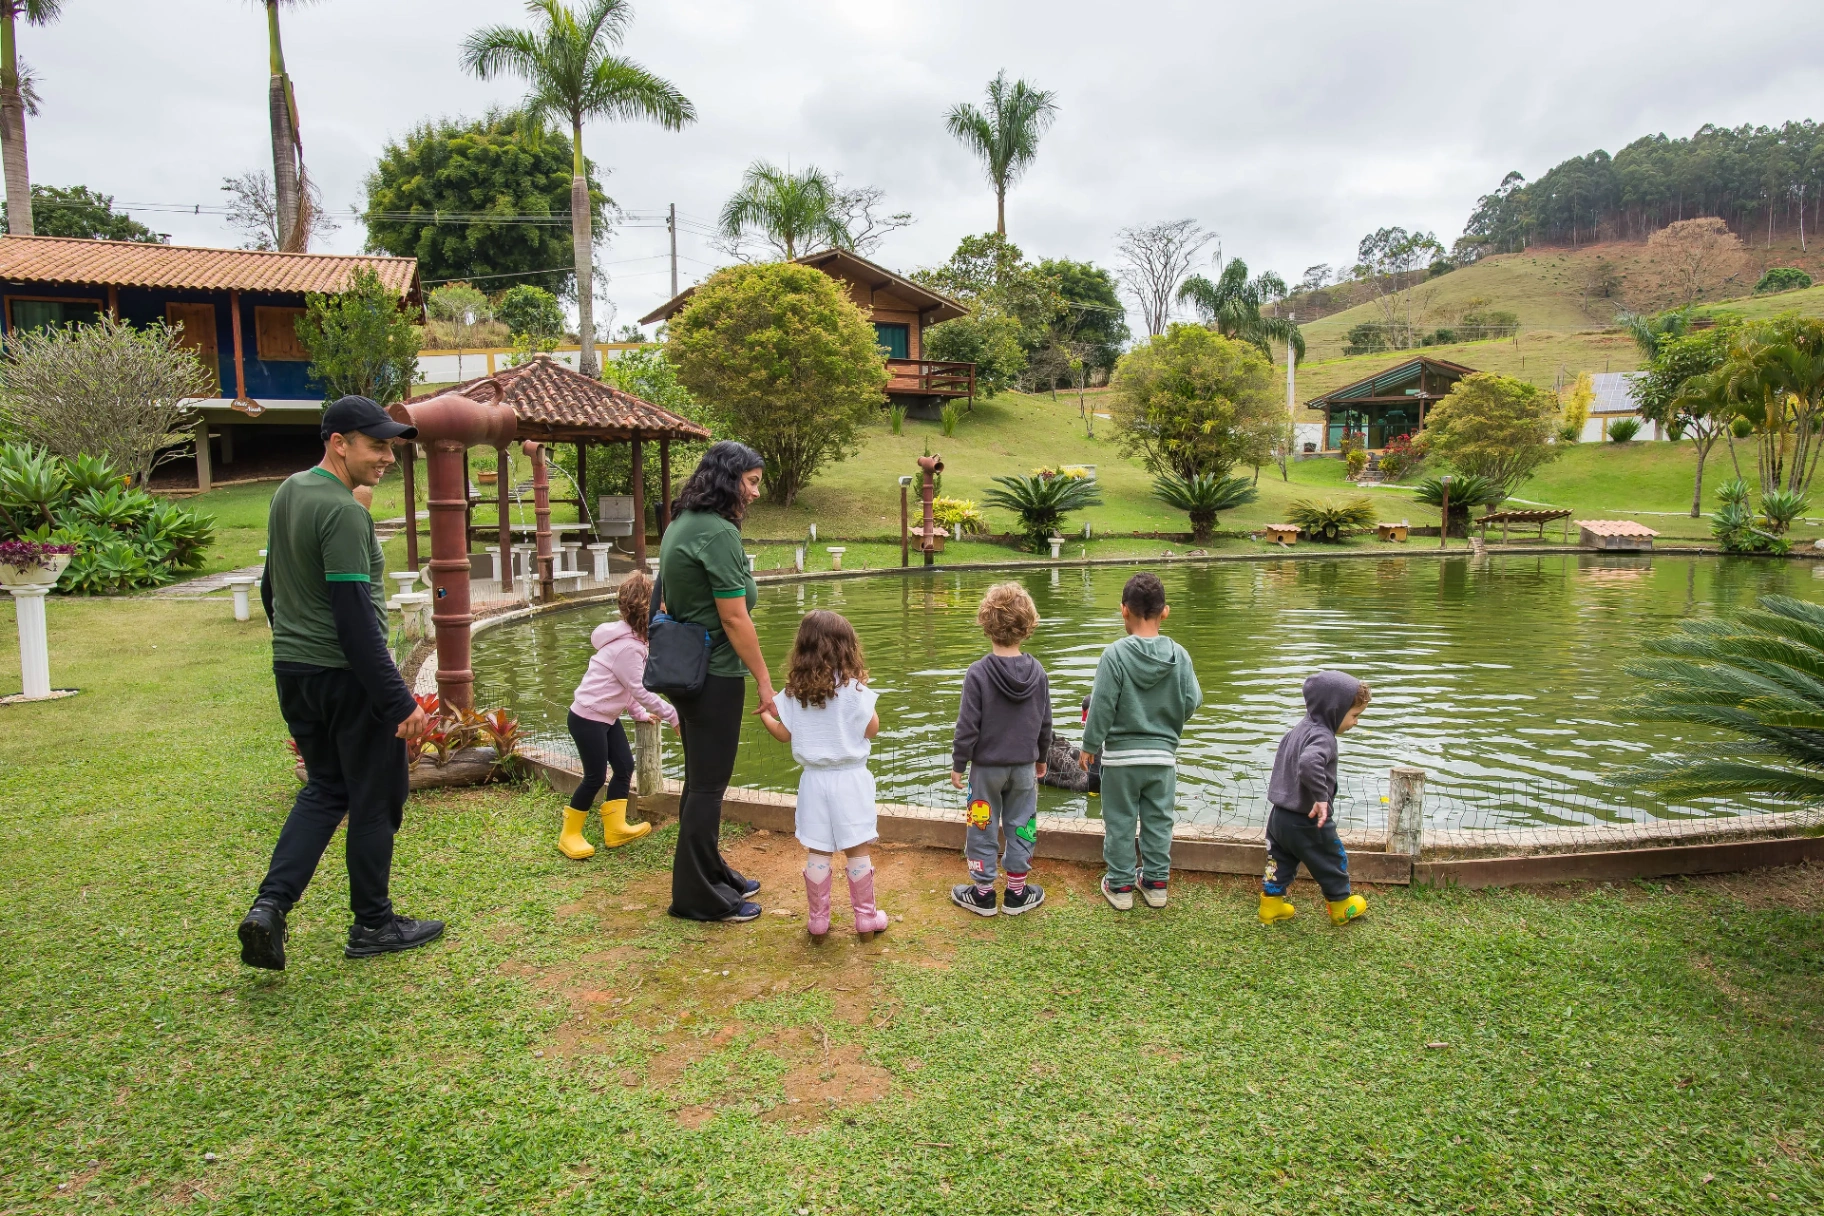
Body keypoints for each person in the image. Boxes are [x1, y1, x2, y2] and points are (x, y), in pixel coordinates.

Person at [237, 395, 440, 971]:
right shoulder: (345, 512)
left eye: (391, 447)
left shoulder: (290, 491)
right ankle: (374, 924)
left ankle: (269, 909)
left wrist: (294, 643)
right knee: (375, 797)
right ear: (338, 443)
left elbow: (269, 587)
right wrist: (397, 697)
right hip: (348, 678)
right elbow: (353, 617)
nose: (388, 458)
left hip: (296, 671)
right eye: (376, 446)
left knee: (327, 788)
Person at [657, 441, 776, 923]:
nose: (755, 493)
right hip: (716, 675)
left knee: (699, 783)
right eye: (751, 482)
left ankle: (712, 872)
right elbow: (734, 619)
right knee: (708, 787)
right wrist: (766, 682)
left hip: (689, 672)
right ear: (728, 479)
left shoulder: (680, 525)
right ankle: (695, 897)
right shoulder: (718, 534)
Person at [757, 610, 888, 942]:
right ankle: (866, 919)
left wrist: (767, 719)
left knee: (818, 850)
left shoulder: (793, 694)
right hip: (850, 781)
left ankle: (818, 920)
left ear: (802, 648)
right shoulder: (855, 691)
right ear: (847, 648)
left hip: (813, 782)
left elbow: (783, 735)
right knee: (857, 850)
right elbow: (872, 730)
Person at [1080, 572, 1203, 912]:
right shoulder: (1180, 655)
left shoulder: (1115, 655)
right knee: (1158, 820)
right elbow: (1193, 699)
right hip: (1162, 759)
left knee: (1119, 821)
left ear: (1123, 610)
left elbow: (1101, 706)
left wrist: (1090, 746)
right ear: (1165, 612)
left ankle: (1119, 886)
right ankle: (1155, 882)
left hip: (1121, 761)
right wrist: (1168, 724)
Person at [949, 582, 1053, 917]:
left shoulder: (977, 674)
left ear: (986, 624)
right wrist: (1041, 757)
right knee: (1023, 824)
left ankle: (982, 893)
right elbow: (1044, 722)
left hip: (984, 772)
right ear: (1028, 626)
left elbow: (967, 726)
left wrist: (959, 763)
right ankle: (1017, 892)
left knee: (980, 824)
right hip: (1023, 768)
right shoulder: (1038, 673)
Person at [560, 570, 675, 859]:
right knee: (595, 777)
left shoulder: (634, 643)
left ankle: (615, 828)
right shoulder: (629, 648)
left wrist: (638, 714)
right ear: (647, 611)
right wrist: (673, 716)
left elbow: (625, 690)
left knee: (624, 767)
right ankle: (569, 834)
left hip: (605, 718)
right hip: (587, 719)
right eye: (660, 606)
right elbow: (640, 690)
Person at [1259, 671, 1372, 926]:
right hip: (1307, 819)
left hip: (1279, 817)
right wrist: (1321, 798)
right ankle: (1341, 905)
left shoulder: (1297, 730)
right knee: (1331, 859)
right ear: (1335, 709)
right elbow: (1309, 762)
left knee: (1279, 862)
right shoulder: (1324, 736)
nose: (1355, 722)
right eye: (1354, 715)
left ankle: (1271, 905)